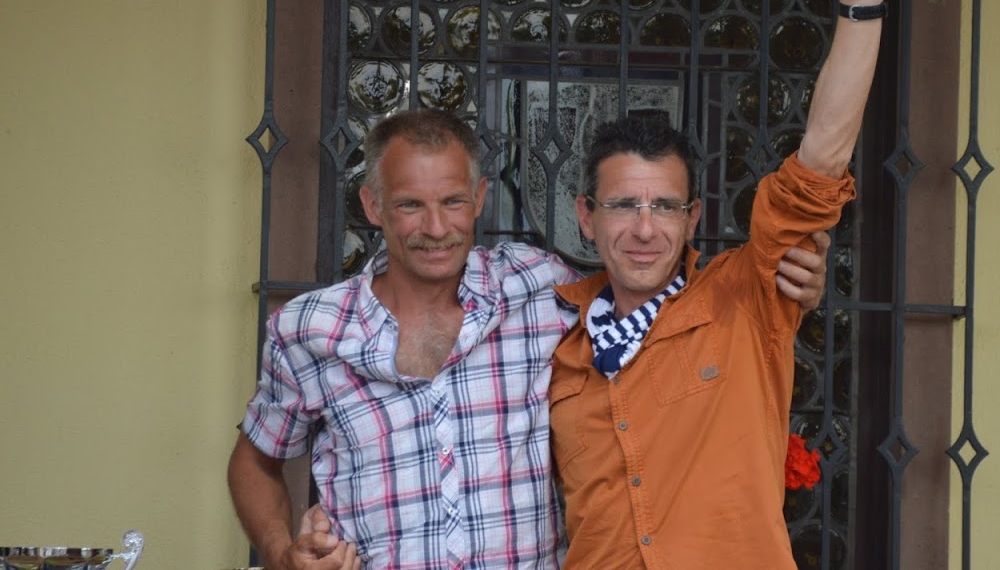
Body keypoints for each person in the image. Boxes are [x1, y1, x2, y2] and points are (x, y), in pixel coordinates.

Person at [226, 109, 830, 570]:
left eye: (453, 201)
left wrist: (786, 285)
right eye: (410, 205)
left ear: (479, 200)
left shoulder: (541, 290)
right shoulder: (307, 331)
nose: (435, 227)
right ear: (372, 205)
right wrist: (283, 554)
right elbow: (254, 461)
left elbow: (652, 288)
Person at [548, 0, 898, 569]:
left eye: (665, 206)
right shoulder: (556, 348)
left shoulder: (745, 299)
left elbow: (817, 167)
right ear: (586, 216)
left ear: (693, 219)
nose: (644, 228)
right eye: (623, 205)